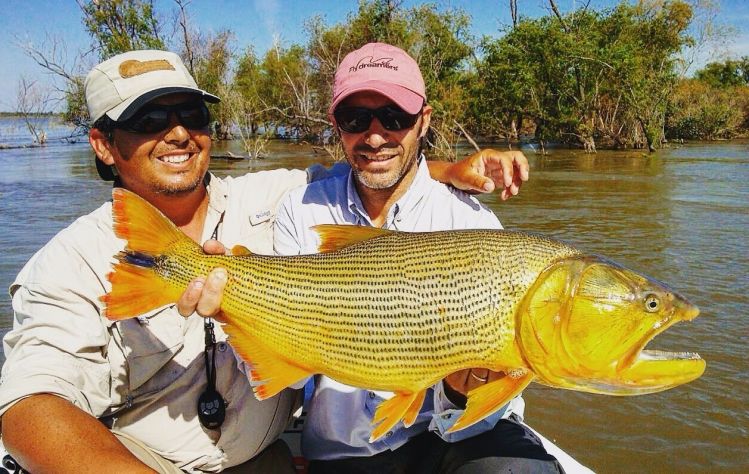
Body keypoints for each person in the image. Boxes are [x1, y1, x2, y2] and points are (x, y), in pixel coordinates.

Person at [0, 49, 527, 473]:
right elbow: (28, 407)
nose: (179, 132)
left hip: (264, 458)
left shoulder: (275, 194)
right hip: (143, 462)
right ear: (103, 144)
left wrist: (451, 168)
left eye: (192, 114)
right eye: (148, 119)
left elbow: (376, 167)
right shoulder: (67, 262)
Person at [271, 42, 564, 473]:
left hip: (452, 438)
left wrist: (462, 394)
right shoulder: (300, 210)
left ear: (423, 121)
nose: (374, 136)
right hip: (345, 451)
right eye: (356, 119)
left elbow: (491, 405)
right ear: (337, 125)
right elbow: (288, 377)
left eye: (395, 117)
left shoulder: (469, 220)